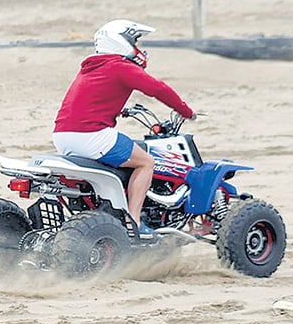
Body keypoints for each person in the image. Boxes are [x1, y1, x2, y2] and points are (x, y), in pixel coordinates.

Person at [53, 20, 195, 239]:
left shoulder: (91, 67)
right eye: (134, 40)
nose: (137, 46)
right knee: (146, 162)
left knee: (126, 157)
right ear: (121, 41)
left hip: (63, 136)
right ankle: (135, 222)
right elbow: (158, 88)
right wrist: (186, 111)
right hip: (91, 136)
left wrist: (116, 110)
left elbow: (91, 99)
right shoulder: (119, 66)